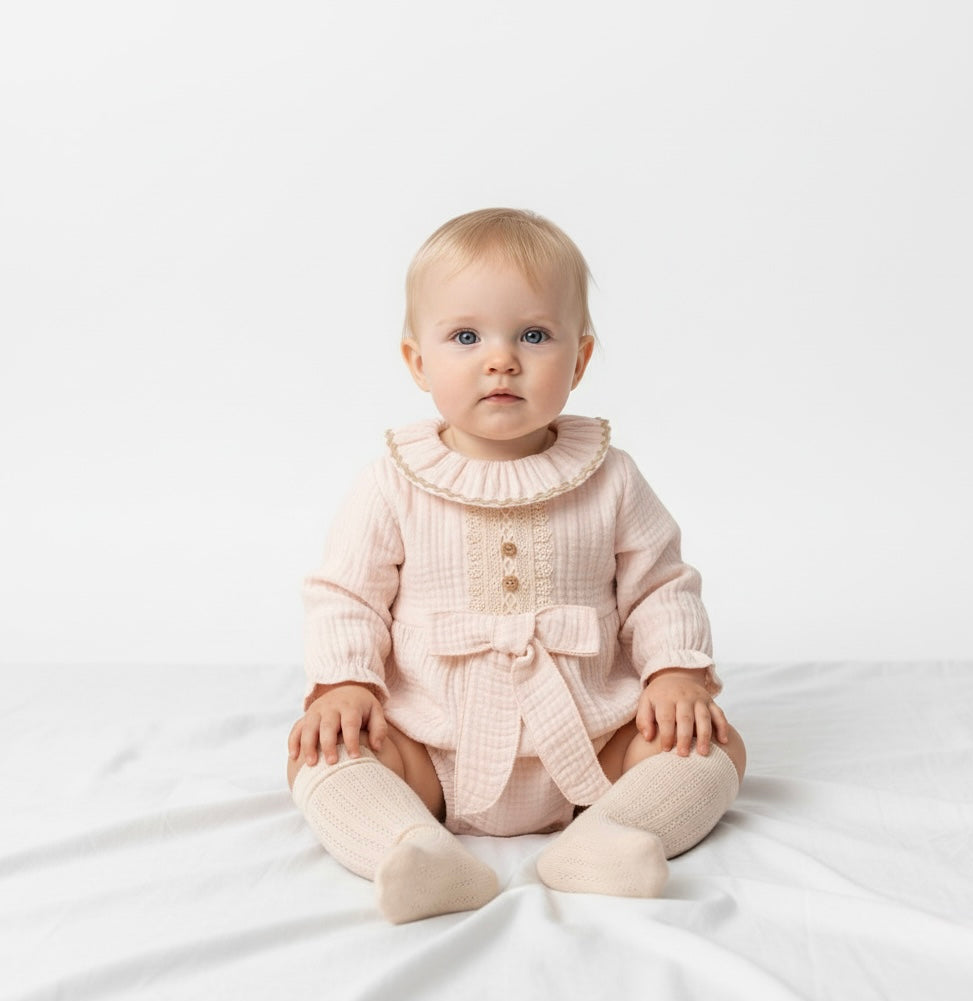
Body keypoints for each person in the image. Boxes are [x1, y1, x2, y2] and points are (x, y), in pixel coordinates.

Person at [287, 207, 746, 924]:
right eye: (466, 337)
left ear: (580, 360)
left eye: (533, 335)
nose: (501, 360)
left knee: (711, 744)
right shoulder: (391, 483)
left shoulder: (612, 477)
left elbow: (661, 586)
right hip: (430, 747)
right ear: (417, 361)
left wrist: (674, 673)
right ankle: (410, 848)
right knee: (322, 753)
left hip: (596, 743)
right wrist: (345, 684)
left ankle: (616, 833)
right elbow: (347, 595)